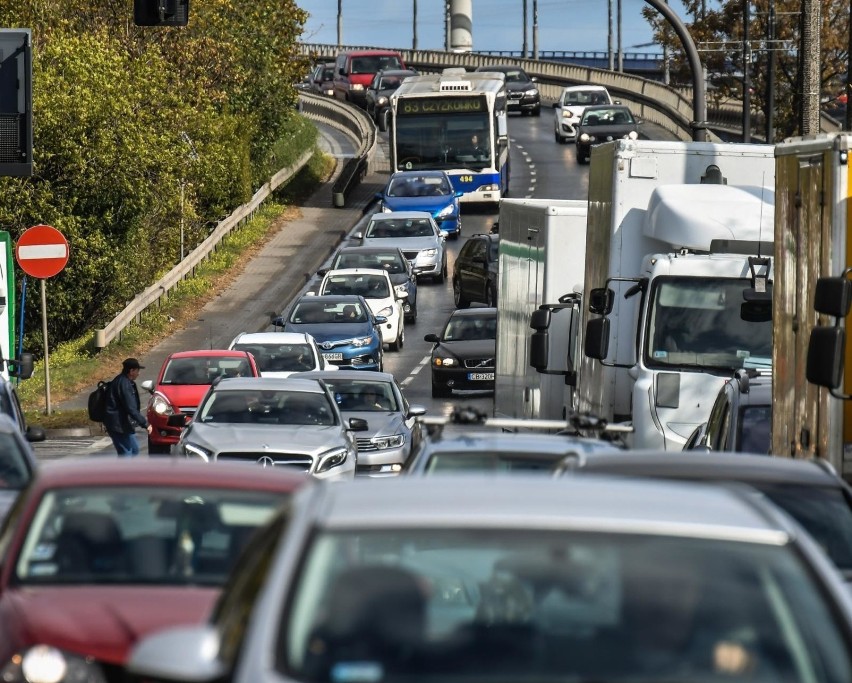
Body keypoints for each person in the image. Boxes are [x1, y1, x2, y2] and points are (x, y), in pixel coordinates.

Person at [103, 358, 151, 457]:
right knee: (126, 453)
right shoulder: (123, 384)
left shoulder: (124, 381)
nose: (139, 374)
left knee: (134, 450)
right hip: (118, 425)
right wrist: (145, 424)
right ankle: (124, 472)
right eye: (137, 371)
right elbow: (131, 408)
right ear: (131, 371)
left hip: (123, 424)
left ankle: (128, 471)